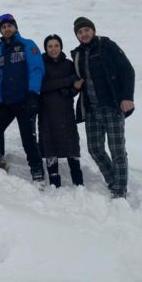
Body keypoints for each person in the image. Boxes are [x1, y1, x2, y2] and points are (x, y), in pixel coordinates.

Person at [70, 17, 135, 199]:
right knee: (94, 149)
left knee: (117, 150)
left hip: (112, 106)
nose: (84, 34)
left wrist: (127, 97)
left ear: (93, 30)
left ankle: (119, 190)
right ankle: (114, 179)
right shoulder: (77, 54)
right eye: (80, 32)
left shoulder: (107, 46)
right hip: (92, 109)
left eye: (86, 30)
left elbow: (127, 70)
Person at [0, 14, 46, 183]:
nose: (7, 29)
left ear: (15, 27)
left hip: (24, 100)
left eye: (9, 25)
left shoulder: (27, 45)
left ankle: (37, 169)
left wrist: (33, 94)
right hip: (4, 101)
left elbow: (36, 70)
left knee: (28, 137)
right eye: (3, 27)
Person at [39, 35, 83, 188]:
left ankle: (78, 182)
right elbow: (41, 86)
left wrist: (71, 90)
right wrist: (67, 81)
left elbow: (76, 86)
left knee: (71, 144)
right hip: (46, 110)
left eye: (56, 45)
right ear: (46, 48)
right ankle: (54, 183)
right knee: (49, 144)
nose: (53, 49)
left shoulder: (69, 64)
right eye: (50, 46)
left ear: (61, 47)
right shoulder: (40, 64)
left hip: (66, 110)